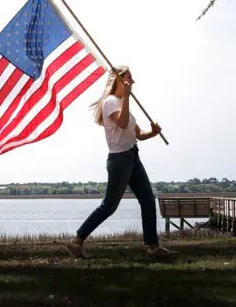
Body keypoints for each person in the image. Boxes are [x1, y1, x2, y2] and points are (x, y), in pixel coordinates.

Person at [65, 66, 176, 260]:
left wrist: (153, 132)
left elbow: (138, 134)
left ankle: (153, 247)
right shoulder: (110, 102)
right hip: (120, 160)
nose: (132, 82)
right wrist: (126, 96)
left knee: (148, 201)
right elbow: (122, 123)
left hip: (133, 157)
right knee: (109, 206)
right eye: (128, 78)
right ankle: (77, 241)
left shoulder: (122, 103)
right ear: (117, 79)